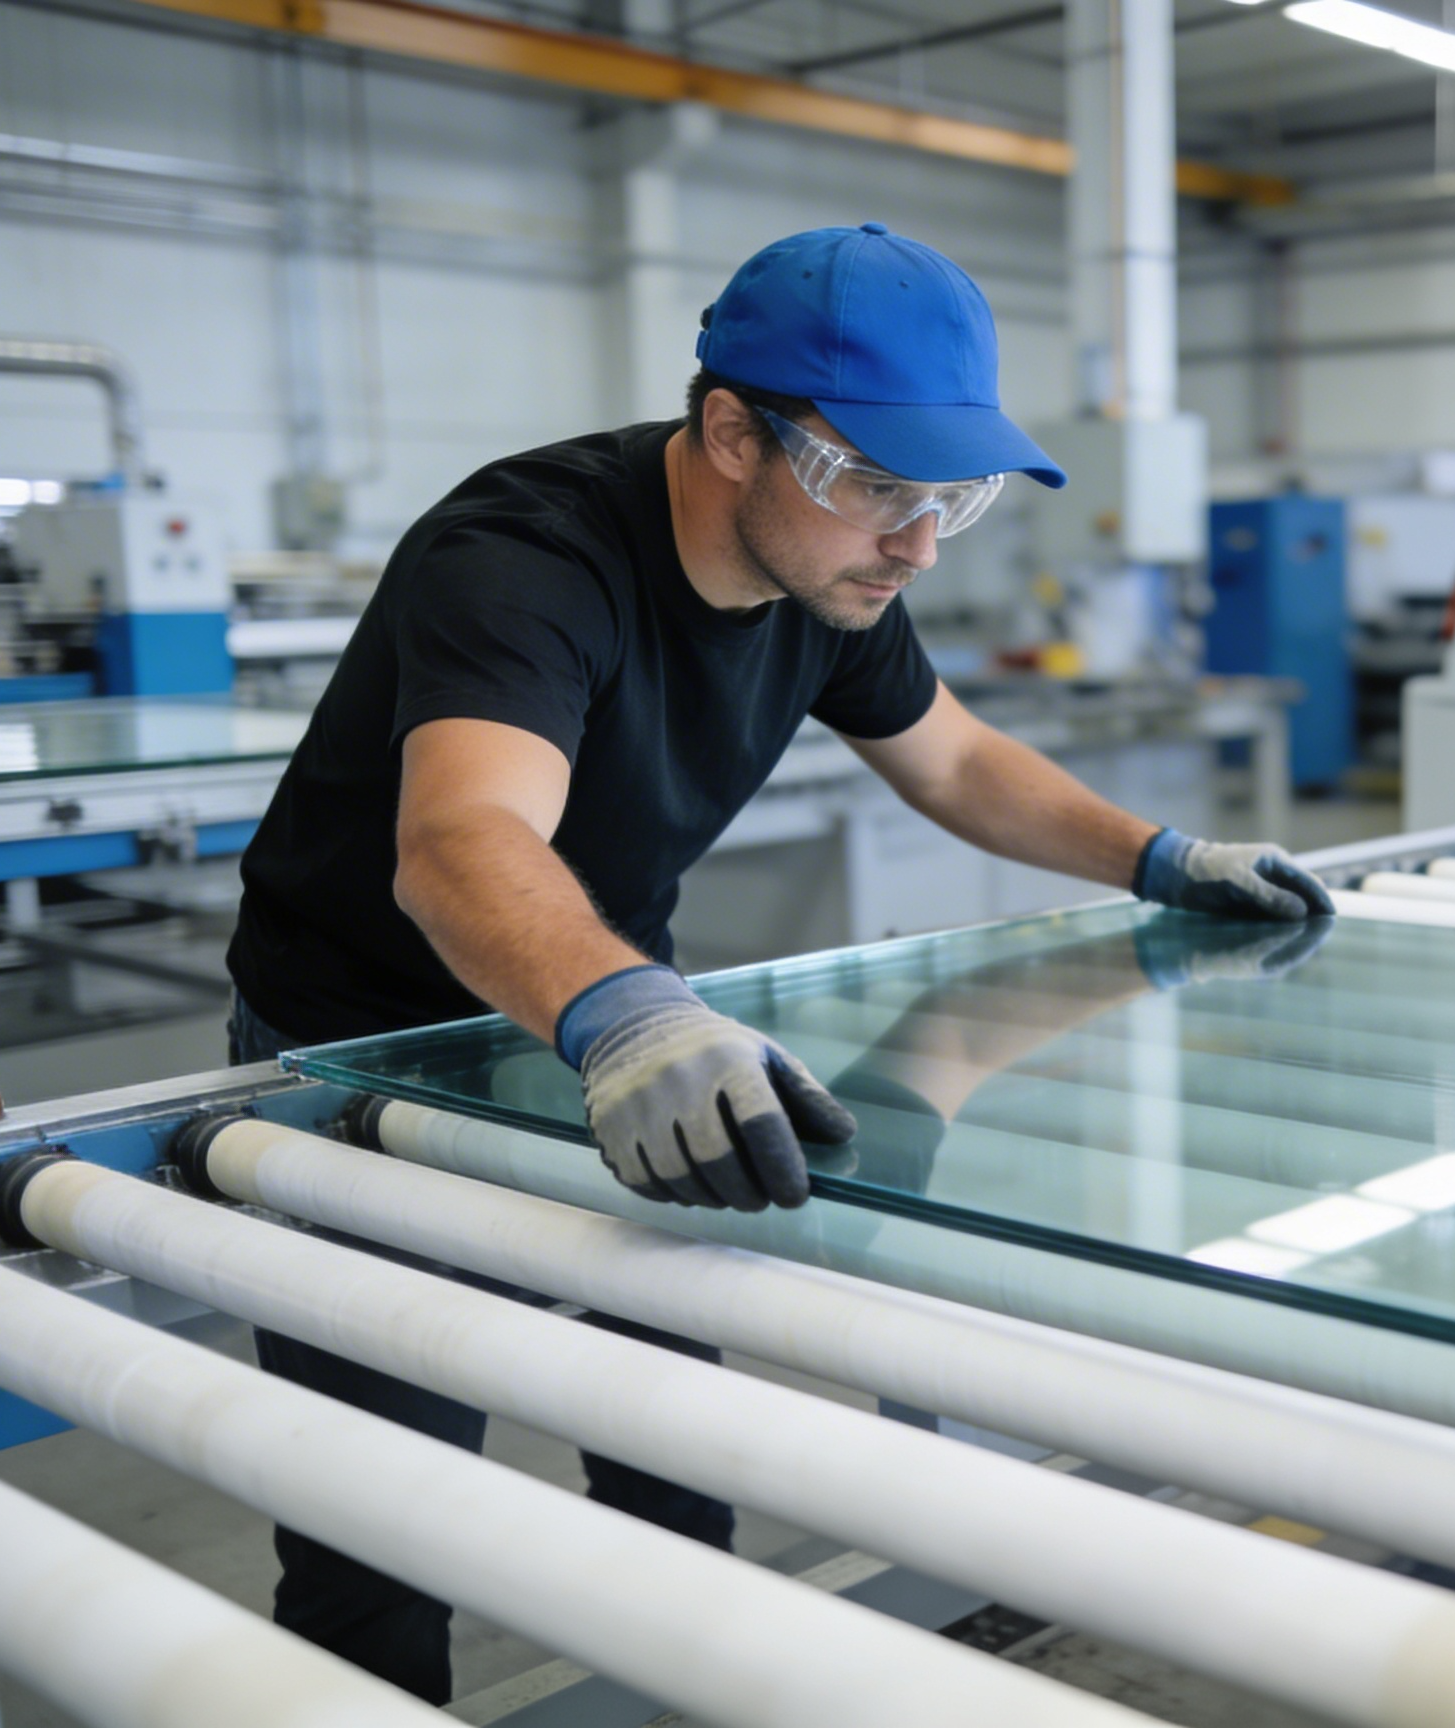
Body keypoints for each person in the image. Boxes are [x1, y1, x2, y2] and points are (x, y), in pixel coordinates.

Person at [221, 221, 1332, 1700]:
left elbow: (952, 763)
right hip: (368, 1051)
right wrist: (623, 1013)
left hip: (627, 1034)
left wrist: (1159, 859)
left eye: (954, 497)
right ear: (732, 431)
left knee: (675, 1432)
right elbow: (461, 844)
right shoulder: (523, 559)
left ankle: (683, 1668)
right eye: (882, 487)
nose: (919, 542)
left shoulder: (832, 575)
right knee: (384, 1512)